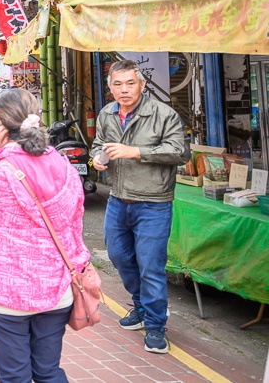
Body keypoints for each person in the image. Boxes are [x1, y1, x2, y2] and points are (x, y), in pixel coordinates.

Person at [0, 88, 90, 383]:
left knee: (14, 375)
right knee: (48, 371)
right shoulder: (65, 167)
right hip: (57, 288)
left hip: (5, 292)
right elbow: (75, 226)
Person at [92, 59, 189, 354]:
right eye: (118, 84)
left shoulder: (163, 114)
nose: (124, 90)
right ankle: (142, 307)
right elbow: (98, 143)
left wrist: (136, 151)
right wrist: (96, 157)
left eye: (130, 83)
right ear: (110, 87)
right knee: (119, 257)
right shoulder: (107, 114)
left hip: (153, 203)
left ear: (142, 85)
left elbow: (180, 152)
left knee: (150, 267)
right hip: (118, 200)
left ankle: (157, 325)